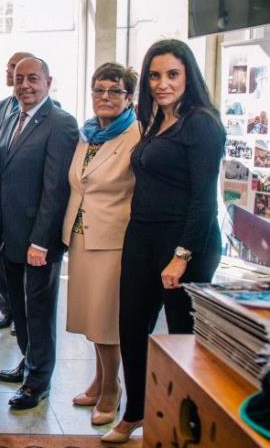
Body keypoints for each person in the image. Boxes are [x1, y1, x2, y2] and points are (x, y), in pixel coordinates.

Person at [104, 40, 226, 443]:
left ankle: (185, 421)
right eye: (155, 75)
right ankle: (135, 411)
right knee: (131, 326)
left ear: (188, 75)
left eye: (172, 74)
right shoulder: (156, 120)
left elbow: (203, 198)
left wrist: (181, 257)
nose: (162, 83)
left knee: (181, 337)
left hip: (185, 242)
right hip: (143, 234)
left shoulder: (202, 123)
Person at [0, 56, 78, 410]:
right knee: (20, 310)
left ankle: (38, 382)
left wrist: (41, 240)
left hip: (38, 239)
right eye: (19, 79)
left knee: (40, 311)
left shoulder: (61, 123)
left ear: (48, 81)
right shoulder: (11, 117)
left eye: (33, 79)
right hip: (10, 235)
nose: (25, 85)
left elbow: (56, 189)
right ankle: (28, 363)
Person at [61, 63, 140, 426]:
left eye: (114, 91)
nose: (105, 97)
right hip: (81, 235)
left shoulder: (137, 136)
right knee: (92, 317)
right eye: (98, 90)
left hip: (113, 239)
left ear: (129, 97)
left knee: (107, 320)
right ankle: (98, 380)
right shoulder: (89, 133)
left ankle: (112, 390)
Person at [0, 51, 34, 332]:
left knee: (23, 270)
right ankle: (8, 310)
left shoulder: (50, 112)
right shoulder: (1, 107)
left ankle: (23, 315)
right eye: (10, 69)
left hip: (24, 204)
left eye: (15, 68)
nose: (11, 73)